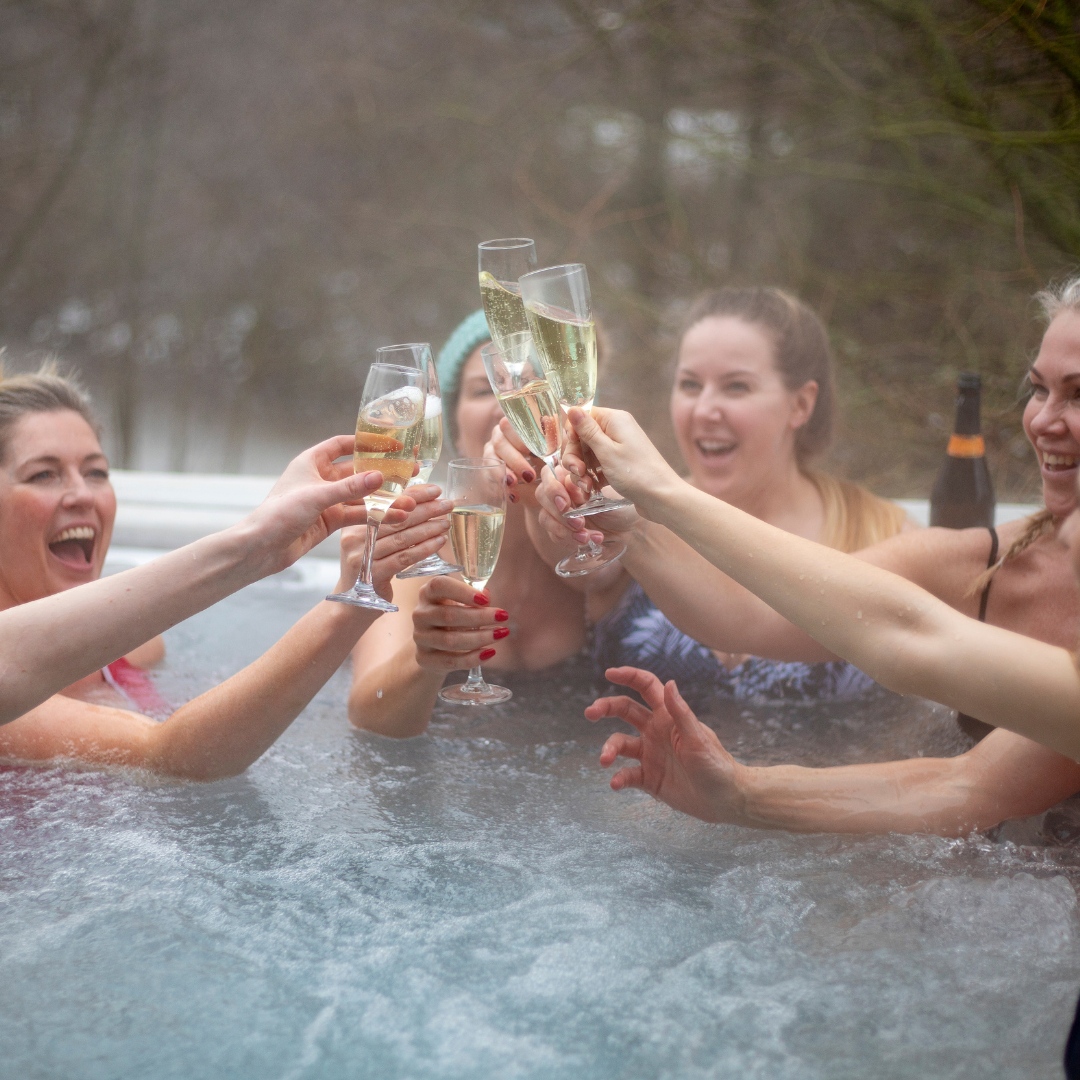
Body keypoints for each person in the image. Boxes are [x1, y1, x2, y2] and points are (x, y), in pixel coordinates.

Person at [554, 275, 1080, 836]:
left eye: (1078, 394)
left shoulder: (888, 529)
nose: (1044, 420)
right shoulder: (984, 561)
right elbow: (967, 786)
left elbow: (909, 641)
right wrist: (736, 792)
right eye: (1037, 389)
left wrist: (662, 494)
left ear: (802, 403)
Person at [0, 364, 451, 777]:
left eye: (96, 472)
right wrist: (348, 604)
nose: (84, 495)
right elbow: (172, 758)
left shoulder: (137, 650)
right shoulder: (12, 712)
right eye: (43, 475)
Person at [495, 287, 909, 705]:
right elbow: (575, 554)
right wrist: (542, 486)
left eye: (736, 387)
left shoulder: (884, 532)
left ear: (800, 404)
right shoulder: (631, 509)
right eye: (690, 385)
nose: (705, 409)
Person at [347, 311, 603, 737]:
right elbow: (367, 714)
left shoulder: (596, 543)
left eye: (528, 384)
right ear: (451, 422)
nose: (509, 402)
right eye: (484, 388)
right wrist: (427, 656)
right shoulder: (415, 545)